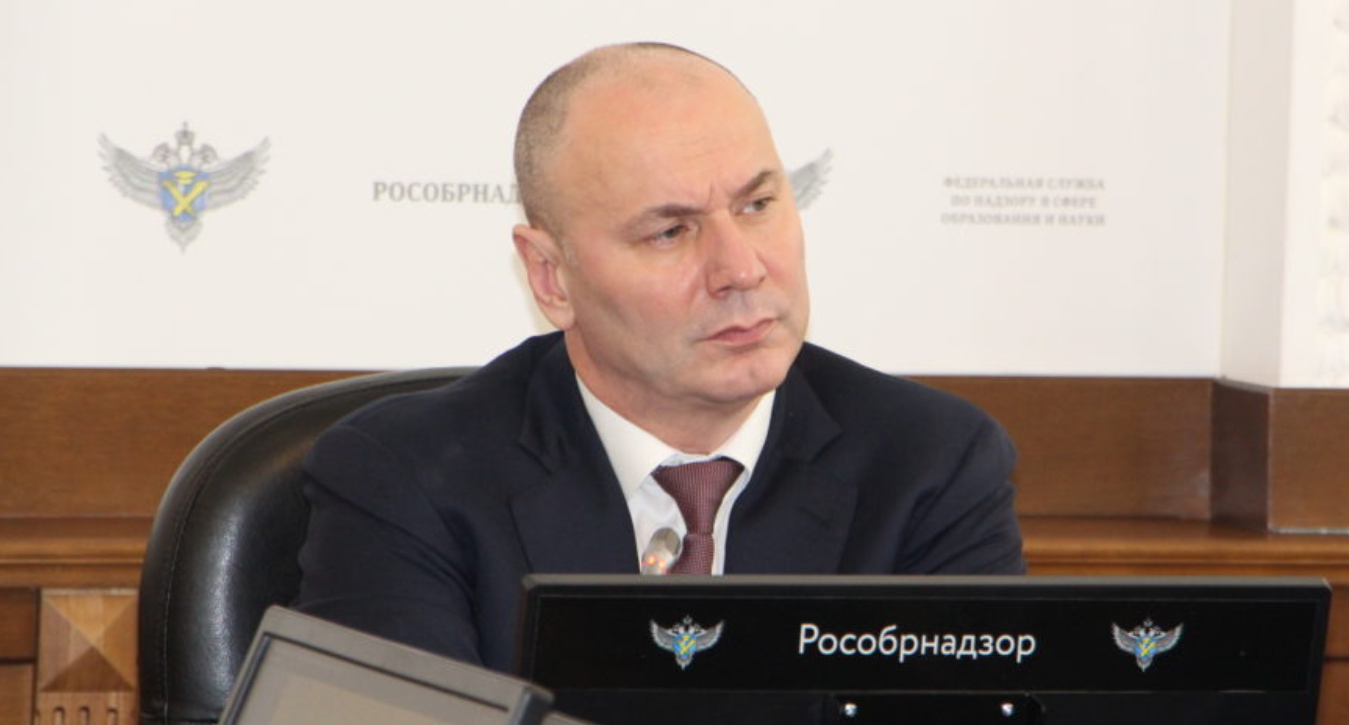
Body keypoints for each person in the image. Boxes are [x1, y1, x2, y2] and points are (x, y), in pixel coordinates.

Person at [292, 42, 1025, 671]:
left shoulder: (929, 465)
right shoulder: (408, 479)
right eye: (670, 232)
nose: (741, 269)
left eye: (757, 205)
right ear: (551, 277)